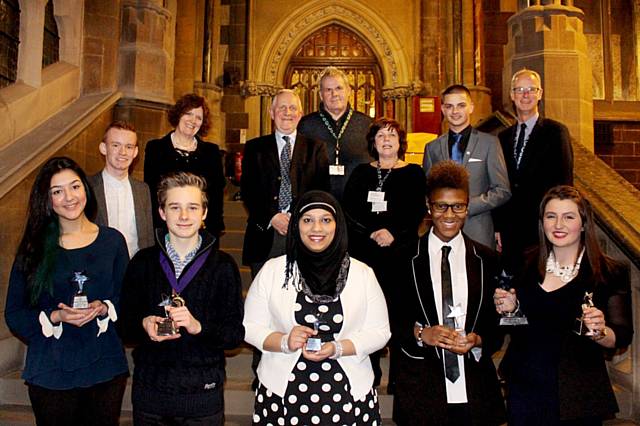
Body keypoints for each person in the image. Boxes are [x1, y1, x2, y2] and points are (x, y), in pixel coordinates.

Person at [244, 190, 391, 425]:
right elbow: (250, 327)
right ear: (296, 225)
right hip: (281, 397)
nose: (316, 229)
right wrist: (284, 341)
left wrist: (338, 348)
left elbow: (380, 332)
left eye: (326, 220)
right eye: (307, 220)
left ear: (337, 225)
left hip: (349, 396)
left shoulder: (363, 273)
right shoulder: (272, 271)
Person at [5, 156, 129, 426]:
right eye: (57, 191)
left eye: (74, 187)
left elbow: (129, 299)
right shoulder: (33, 248)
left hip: (104, 364)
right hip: (51, 369)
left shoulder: (113, 242)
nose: (69, 197)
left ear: (86, 188)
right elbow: (14, 313)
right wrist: (54, 317)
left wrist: (106, 307)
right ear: (47, 200)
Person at [494, 185, 633, 425]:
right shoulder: (523, 264)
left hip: (578, 396)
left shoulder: (610, 272)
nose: (559, 225)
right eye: (551, 216)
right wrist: (510, 311)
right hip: (526, 391)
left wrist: (600, 331)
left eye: (568, 217)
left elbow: (620, 336)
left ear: (583, 223)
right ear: (542, 222)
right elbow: (515, 329)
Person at [119, 172, 244, 425]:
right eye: (175, 207)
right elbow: (124, 327)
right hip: (150, 394)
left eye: (192, 207)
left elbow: (234, 336)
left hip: (202, 396)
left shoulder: (223, 266)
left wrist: (199, 327)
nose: (184, 216)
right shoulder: (142, 262)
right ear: (162, 212)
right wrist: (143, 325)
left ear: (204, 213)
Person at [393, 160, 505, 426]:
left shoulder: (488, 260)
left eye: (458, 206)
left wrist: (478, 340)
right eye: (441, 206)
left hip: (475, 385)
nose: (449, 214)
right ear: (428, 206)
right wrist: (422, 333)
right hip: (421, 385)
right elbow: (391, 318)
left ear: (467, 207)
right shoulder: (402, 257)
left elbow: (497, 323)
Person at [343, 117, 427, 389]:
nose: (386, 140)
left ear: (400, 142)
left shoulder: (414, 173)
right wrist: (372, 232)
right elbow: (350, 211)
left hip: (400, 254)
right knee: (366, 315)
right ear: (373, 142)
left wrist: (392, 233)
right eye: (381, 136)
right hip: (366, 255)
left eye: (392, 135)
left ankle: (399, 377)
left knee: (399, 314)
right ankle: (371, 374)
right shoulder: (361, 173)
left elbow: (416, 211)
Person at [241, 89, 330, 278]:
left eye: (292, 108)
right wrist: (272, 217)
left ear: (300, 114)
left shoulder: (316, 148)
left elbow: (321, 192)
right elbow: (248, 191)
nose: (287, 113)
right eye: (282, 108)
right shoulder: (254, 148)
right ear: (272, 113)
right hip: (264, 235)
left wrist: (298, 217)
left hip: (304, 235)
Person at [494, 68, 574, 273]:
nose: (526, 95)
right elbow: (498, 183)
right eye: (520, 90)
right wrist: (498, 226)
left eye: (531, 89)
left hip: (542, 226)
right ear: (512, 95)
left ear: (540, 94)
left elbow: (564, 183)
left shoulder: (555, 132)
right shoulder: (502, 138)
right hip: (511, 230)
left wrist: (559, 223)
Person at [424, 84, 510, 249]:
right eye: (449, 106)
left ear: (471, 107)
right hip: (443, 230)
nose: (455, 111)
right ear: (442, 109)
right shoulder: (432, 148)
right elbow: (428, 191)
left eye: (461, 105)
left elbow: (502, 190)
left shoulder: (490, 143)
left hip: (478, 229)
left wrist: (467, 206)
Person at [144, 93, 226, 239]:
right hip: (165, 229)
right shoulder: (155, 148)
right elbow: (151, 191)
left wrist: (213, 229)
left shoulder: (211, 152)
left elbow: (216, 195)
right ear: (178, 115)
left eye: (199, 117)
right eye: (188, 113)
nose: (193, 120)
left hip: (202, 230)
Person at [298, 66, 373, 201]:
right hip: (319, 203)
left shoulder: (367, 124)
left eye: (339, 88)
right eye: (328, 90)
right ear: (321, 95)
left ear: (349, 91)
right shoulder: (305, 125)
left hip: (359, 202)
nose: (334, 94)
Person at [88, 121, 154, 257]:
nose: (123, 152)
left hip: (135, 271)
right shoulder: (87, 187)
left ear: (135, 152)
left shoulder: (143, 190)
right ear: (103, 148)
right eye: (116, 145)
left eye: (129, 147)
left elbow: (148, 238)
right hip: (99, 269)